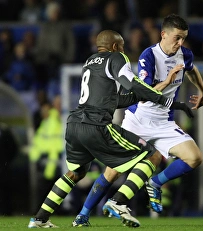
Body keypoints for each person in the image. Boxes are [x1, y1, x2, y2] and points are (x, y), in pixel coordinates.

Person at [28, 29, 192, 228]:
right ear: (115, 47)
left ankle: (39, 218)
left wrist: (160, 86)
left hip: (74, 124)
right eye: (122, 46)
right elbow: (132, 84)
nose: (124, 50)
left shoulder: (89, 61)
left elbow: (115, 100)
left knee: (76, 173)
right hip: (96, 125)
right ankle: (119, 202)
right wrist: (168, 102)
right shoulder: (116, 58)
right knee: (151, 155)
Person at [72, 13, 203, 227]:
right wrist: (167, 80)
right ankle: (83, 214)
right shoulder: (149, 55)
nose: (180, 43)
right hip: (138, 119)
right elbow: (143, 92)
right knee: (112, 171)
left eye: (183, 38)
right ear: (164, 34)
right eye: (177, 38)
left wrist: (202, 90)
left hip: (164, 122)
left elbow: (192, 69)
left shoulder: (185, 54)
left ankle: (154, 183)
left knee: (194, 157)